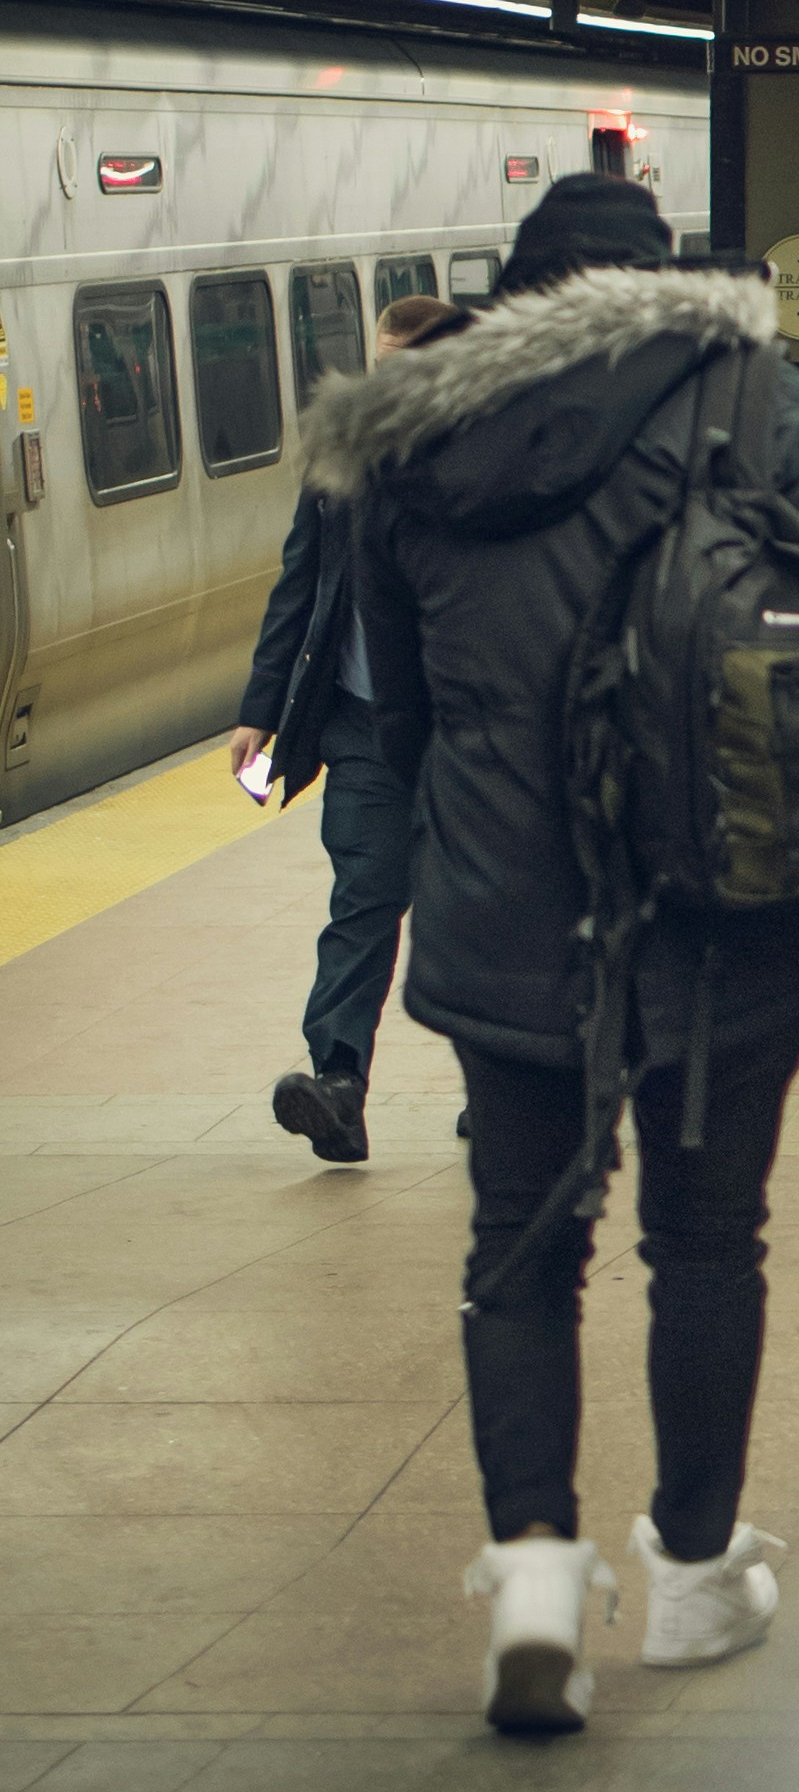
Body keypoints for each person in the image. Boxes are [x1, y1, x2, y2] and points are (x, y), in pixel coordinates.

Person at [316, 174, 799, 1737]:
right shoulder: (747, 392)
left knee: (521, 1243)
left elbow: (406, 704)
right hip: (722, 898)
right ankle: (701, 1574)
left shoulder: (412, 433)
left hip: (502, 907)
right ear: (663, 281)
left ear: (513, 289)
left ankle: (533, 1573)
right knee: (706, 1240)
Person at [232, 285, 473, 1168]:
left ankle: (499, 1082)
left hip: (469, 732)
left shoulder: (495, 460)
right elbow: (301, 585)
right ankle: (337, 1084)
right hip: (366, 727)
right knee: (362, 904)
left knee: (478, 908)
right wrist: (261, 708)